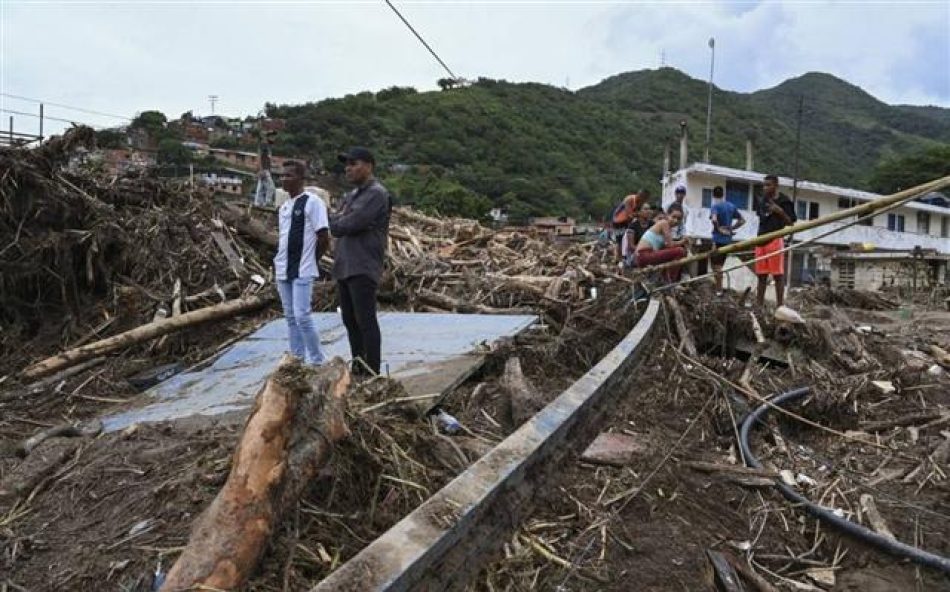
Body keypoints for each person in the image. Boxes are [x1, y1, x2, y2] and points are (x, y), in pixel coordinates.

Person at [330, 147, 392, 377]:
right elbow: (337, 222)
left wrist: (340, 221)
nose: (348, 168)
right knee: (349, 319)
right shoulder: (350, 196)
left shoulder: (376, 194)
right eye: (346, 164)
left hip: (363, 264)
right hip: (345, 265)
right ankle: (358, 366)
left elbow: (348, 223)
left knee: (365, 319)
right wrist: (339, 220)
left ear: (368, 165)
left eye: (353, 163)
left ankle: (372, 371)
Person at [273, 160, 329, 365]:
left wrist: (312, 260)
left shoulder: (312, 202)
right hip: (283, 268)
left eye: (288, 175)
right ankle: (297, 359)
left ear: (300, 179)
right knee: (290, 318)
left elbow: (323, 236)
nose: (283, 179)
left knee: (303, 316)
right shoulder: (284, 207)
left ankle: (317, 361)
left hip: (303, 269)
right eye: (281, 175)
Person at [753, 174, 797, 307]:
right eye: (764, 185)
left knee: (777, 276)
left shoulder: (784, 200)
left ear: (776, 186)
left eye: (768, 185)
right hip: (760, 240)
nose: (765, 188)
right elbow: (761, 218)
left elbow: (790, 223)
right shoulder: (762, 201)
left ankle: (780, 306)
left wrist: (780, 211)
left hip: (775, 240)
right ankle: (759, 306)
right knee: (761, 276)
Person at [635, 208, 689, 282]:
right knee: (680, 251)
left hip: (644, 256)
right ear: (667, 215)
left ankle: (666, 279)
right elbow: (670, 245)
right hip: (644, 255)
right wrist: (683, 241)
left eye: (678, 219)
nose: (676, 220)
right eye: (673, 217)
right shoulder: (664, 223)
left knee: (672, 253)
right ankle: (671, 281)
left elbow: (667, 247)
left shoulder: (668, 228)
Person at [709, 185, 745, 296]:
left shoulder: (715, 206)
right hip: (727, 240)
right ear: (723, 194)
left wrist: (718, 228)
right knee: (719, 265)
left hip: (717, 239)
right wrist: (732, 228)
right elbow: (742, 220)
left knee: (716, 266)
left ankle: (719, 289)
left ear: (713, 195)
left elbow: (714, 219)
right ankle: (718, 287)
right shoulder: (731, 206)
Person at [612, 189, 651, 259]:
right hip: (618, 220)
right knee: (620, 241)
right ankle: (618, 258)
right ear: (639, 195)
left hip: (628, 221)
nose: (642, 201)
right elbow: (629, 214)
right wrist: (639, 214)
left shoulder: (641, 203)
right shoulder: (629, 199)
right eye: (641, 197)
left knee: (629, 239)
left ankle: (627, 256)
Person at [621, 203, 654, 268]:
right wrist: (645, 250)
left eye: (649, 209)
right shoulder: (632, 227)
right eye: (645, 209)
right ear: (638, 212)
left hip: (651, 251)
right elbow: (631, 246)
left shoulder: (653, 224)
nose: (648, 211)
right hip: (637, 253)